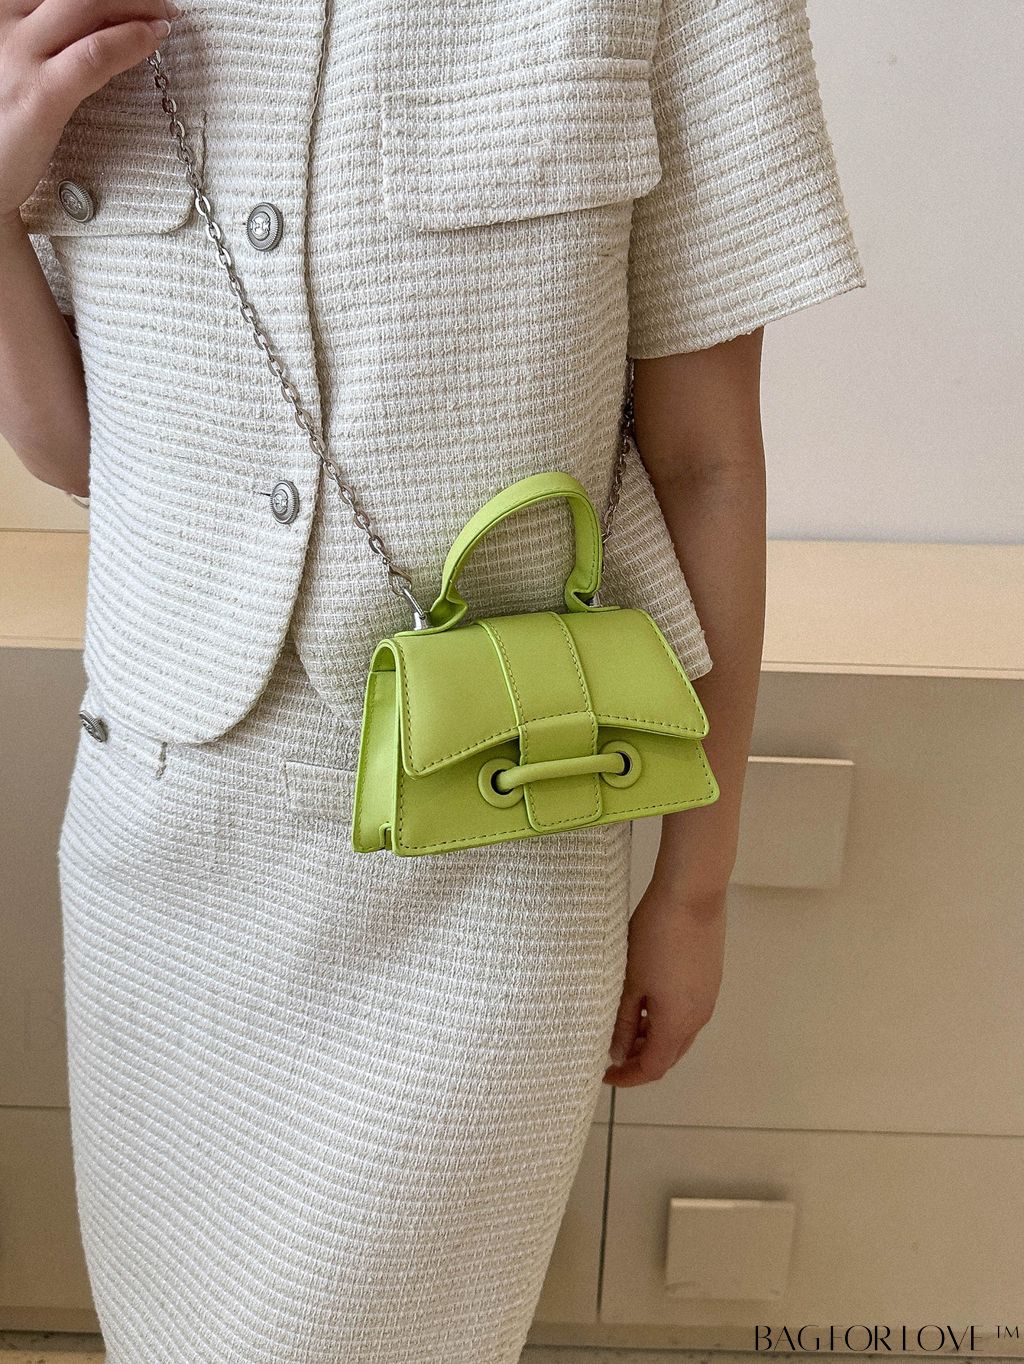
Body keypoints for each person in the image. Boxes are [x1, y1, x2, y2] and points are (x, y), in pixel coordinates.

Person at [0, 0, 864, 1359]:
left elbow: (705, 459)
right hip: (160, 851)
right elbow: (83, 453)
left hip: (497, 863)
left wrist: (693, 890)